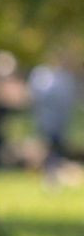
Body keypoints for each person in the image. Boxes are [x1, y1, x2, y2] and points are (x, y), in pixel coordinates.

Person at [29, 49, 78, 184]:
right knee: (46, 146)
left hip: (60, 120)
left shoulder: (65, 77)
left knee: (56, 147)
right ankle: (47, 173)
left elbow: (68, 101)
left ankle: (53, 173)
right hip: (46, 119)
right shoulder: (42, 75)